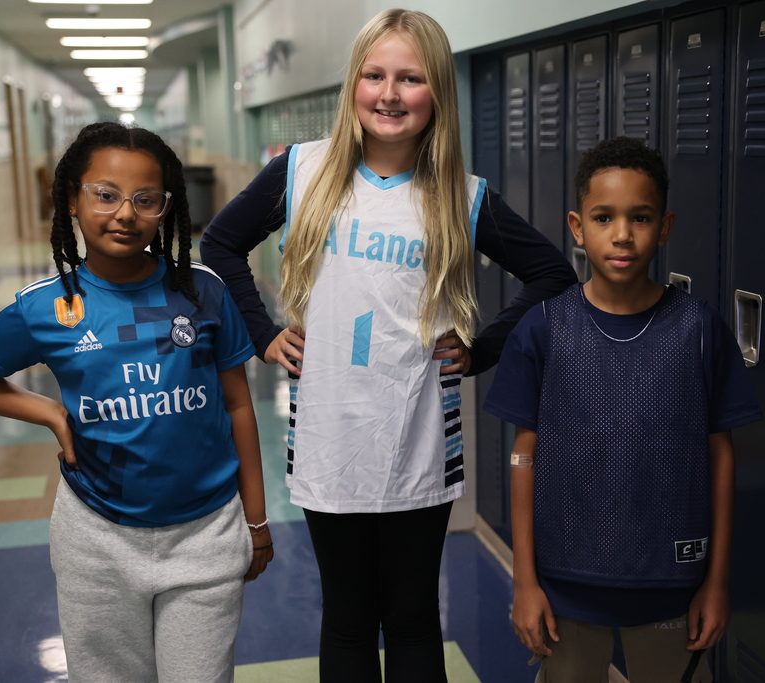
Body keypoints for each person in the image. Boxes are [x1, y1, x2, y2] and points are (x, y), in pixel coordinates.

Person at [200, 9, 575, 682]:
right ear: (353, 85)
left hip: (418, 431)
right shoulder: (303, 170)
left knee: (410, 613)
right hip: (329, 429)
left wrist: (483, 346)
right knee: (346, 614)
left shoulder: (461, 196)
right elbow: (220, 243)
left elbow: (552, 272)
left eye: (410, 78)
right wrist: (262, 333)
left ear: (438, 94)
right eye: (374, 75)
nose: (390, 93)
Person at [0, 122, 273, 682]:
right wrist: (49, 412)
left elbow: (239, 407)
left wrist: (258, 520)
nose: (125, 213)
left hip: (207, 535)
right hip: (95, 541)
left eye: (145, 200)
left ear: (166, 208)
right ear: (72, 197)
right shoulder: (47, 307)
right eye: (106, 195)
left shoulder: (202, 292)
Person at [484, 136, 762, 683]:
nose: (622, 235)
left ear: (665, 226)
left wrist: (717, 580)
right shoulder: (543, 329)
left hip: (671, 584)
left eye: (640, 217)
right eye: (603, 217)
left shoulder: (700, 330)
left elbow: (721, 457)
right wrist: (524, 582)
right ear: (576, 226)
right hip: (566, 581)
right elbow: (524, 455)